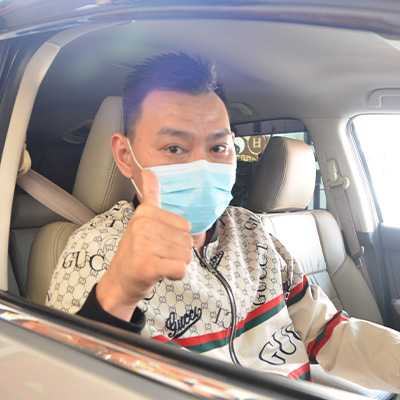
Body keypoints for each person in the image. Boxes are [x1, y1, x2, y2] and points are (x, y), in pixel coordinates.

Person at [46, 53, 400, 391]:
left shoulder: (249, 231)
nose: (203, 167)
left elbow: (326, 330)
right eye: (174, 148)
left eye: (218, 148)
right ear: (126, 156)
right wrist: (117, 296)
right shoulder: (94, 251)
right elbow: (61, 383)